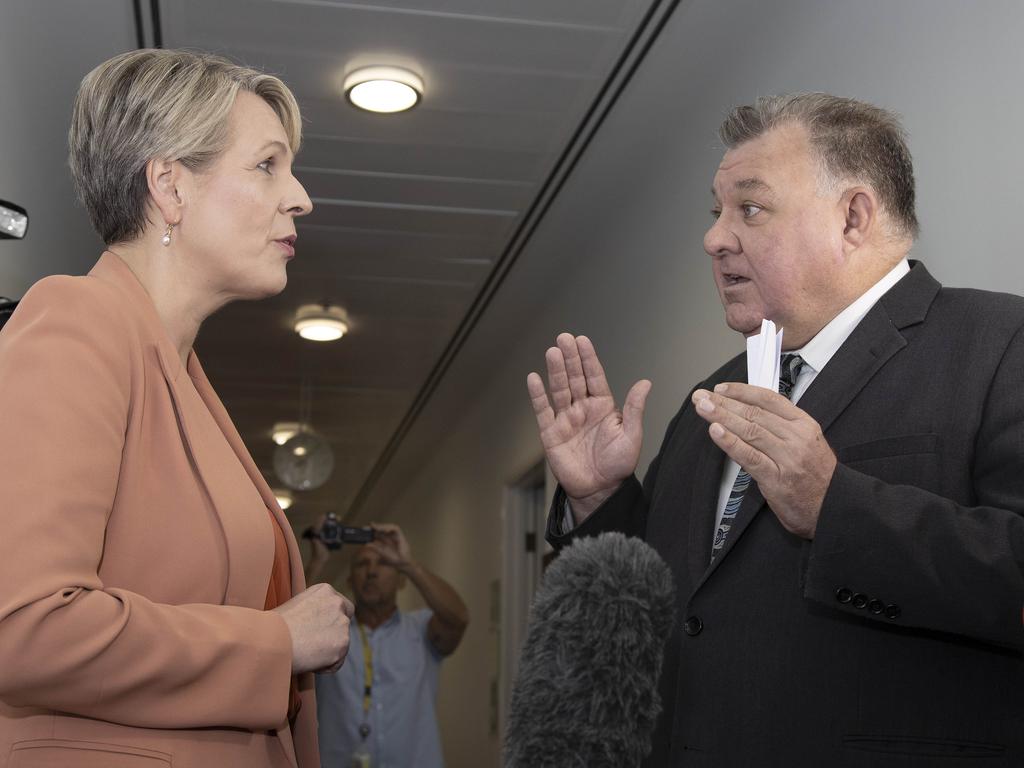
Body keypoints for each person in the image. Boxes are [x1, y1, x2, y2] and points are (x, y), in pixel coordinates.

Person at [527, 93, 1024, 765]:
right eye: (716, 212)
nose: (714, 238)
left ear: (852, 218)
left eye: (750, 209)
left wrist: (833, 505)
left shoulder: (998, 344)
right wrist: (601, 501)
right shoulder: (712, 396)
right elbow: (686, 608)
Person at [0, 49, 355, 768]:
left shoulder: (181, 375)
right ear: (169, 187)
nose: (300, 197)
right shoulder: (77, 322)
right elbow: (25, 626)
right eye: (266, 165)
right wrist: (277, 644)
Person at [307, 523, 469, 768]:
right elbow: (289, 628)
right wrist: (318, 561)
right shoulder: (330, 634)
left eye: (383, 563)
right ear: (350, 580)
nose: (371, 571)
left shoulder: (422, 630)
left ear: (402, 582)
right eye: (362, 564)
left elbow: (458, 619)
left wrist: (408, 564)